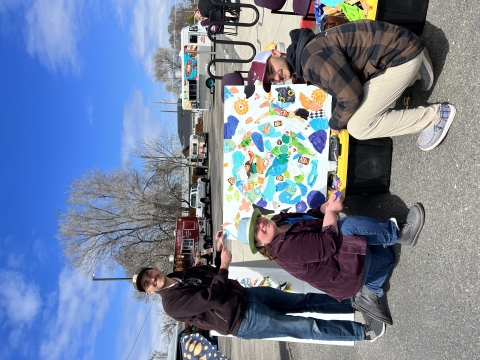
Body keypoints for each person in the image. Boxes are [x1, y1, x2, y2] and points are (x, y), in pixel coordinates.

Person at [133, 234, 386, 343]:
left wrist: (219, 253)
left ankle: (354, 302)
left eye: (149, 274)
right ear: (149, 292)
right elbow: (210, 298)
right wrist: (223, 268)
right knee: (306, 327)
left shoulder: (181, 274)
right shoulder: (171, 305)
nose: (152, 279)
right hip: (243, 321)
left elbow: (211, 273)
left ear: (154, 269)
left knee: (305, 300)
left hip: (248, 294)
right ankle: (362, 333)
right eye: (147, 283)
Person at [248, 20, 456, 151]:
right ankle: (417, 70)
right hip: (401, 45)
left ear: (275, 53)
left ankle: (436, 117)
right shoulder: (305, 52)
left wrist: (335, 125)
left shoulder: (310, 61)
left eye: (270, 70)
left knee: (359, 126)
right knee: (359, 106)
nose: (276, 77)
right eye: (271, 80)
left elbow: (351, 96)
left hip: (402, 54)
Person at [234, 193, 425, 325]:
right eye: (256, 232)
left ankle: (370, 292)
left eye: (257, 220)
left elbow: (312, 217)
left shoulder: (280, 221)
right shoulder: (285, 250)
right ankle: (400, 234)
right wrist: (333, 212)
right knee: (347, 227)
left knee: (386, 259)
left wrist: (326, 207)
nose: (261, 225)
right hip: (343, 274)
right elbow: (328, 243)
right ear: (259, 245)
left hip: (340, 264)